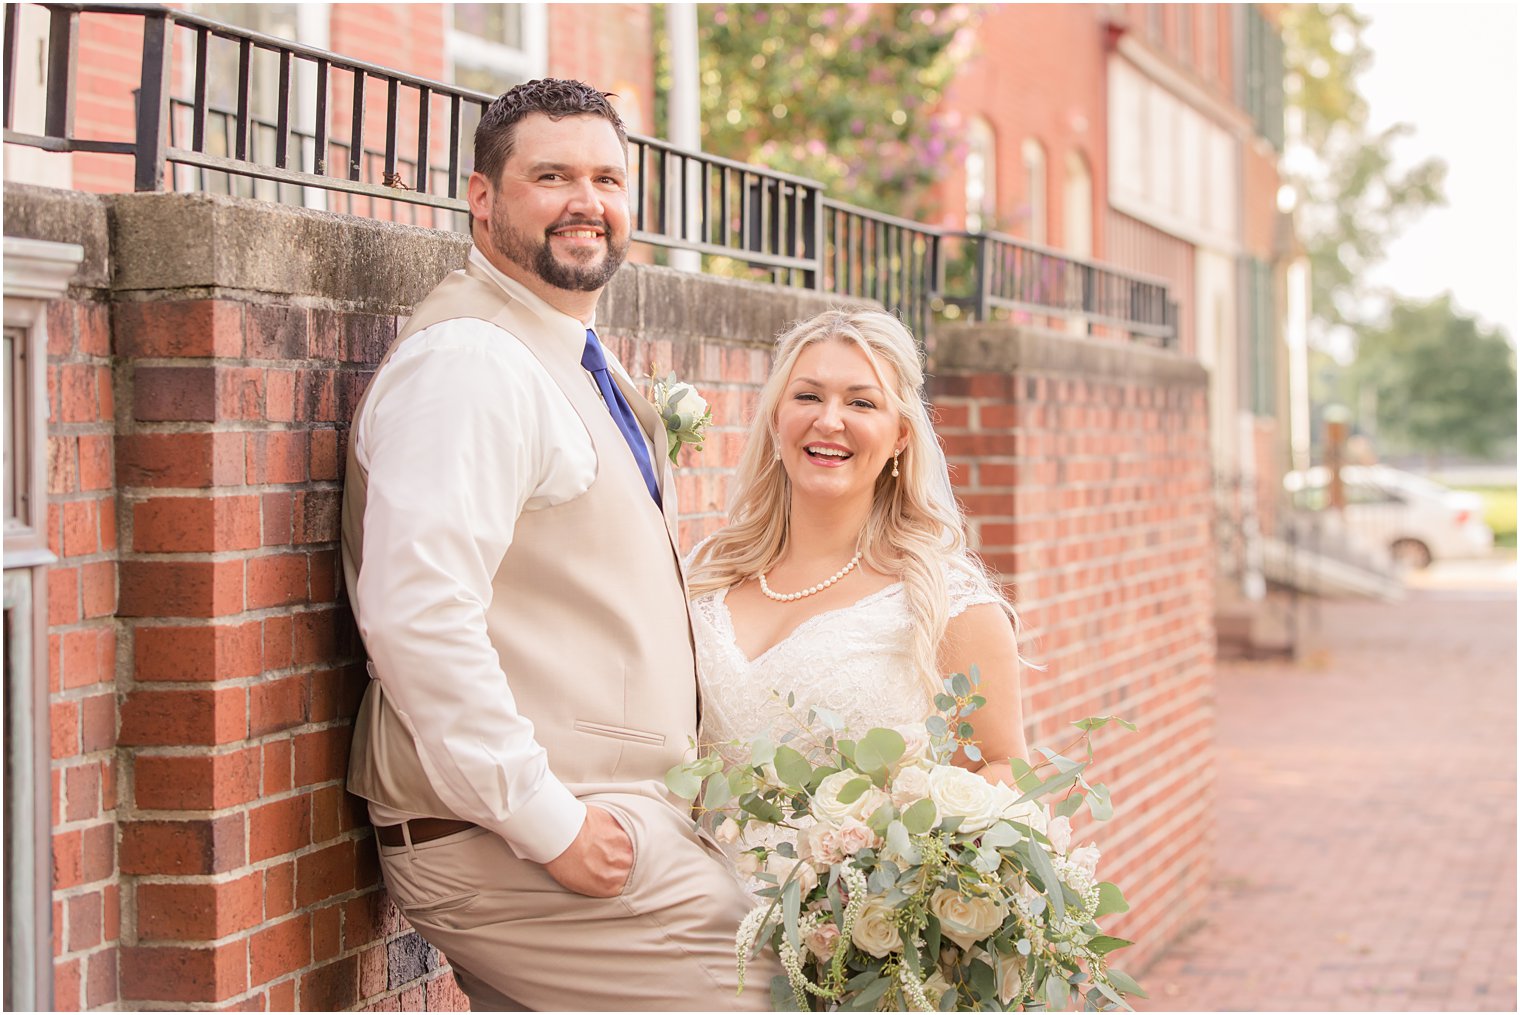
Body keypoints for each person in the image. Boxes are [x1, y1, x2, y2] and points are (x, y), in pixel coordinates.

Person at [341, 79, 777, 1011]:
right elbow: (418, 615)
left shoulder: (570, 356)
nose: (588, 201)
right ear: (483, 197)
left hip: (598, 816)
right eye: (552, 175)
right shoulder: (471, 364)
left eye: (607, 178)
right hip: (523, 833)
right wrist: (550, 823)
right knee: (785, 988)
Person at [686, 309, 1029, 788]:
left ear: (901, 436)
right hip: (683, 863)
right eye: (807, 396)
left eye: (862, 404)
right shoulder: (704, 576)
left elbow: (1004, 769)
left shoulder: (948, 604)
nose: (828, 420)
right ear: (776, 419)